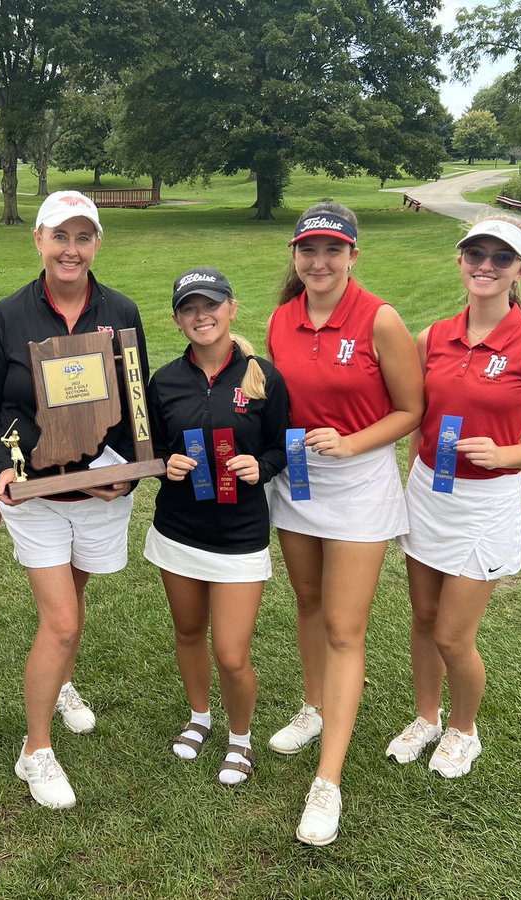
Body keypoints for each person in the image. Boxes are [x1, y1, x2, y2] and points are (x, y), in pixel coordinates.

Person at [0, 190, 149, 809]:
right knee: (62, 619)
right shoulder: (9, 315)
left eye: (83, 237)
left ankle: (63, 682)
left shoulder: (120, 310)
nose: (71, 249)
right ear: (39, 241)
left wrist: (127, 472)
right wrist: (0, 467)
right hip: (37, 493)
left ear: (97, 244)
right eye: (60, 236)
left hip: (100, 490)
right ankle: (35, 751)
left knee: (78, 592)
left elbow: (135, 404)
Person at [264, 202, 423, 845]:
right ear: (296, 256)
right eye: (309, 250)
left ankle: (328, 781)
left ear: (353, 255)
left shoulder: (379, 317)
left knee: (343, 624)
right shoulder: (281, 318)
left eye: (333, 250)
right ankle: (313, 705)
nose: (319, 262)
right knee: (306, 599)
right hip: (298, 478)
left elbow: (411, 408)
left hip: (358, 482)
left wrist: (354, 443)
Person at [387, 214, 521, 778]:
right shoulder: (432, 337)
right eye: (476, 255)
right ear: (460, 261)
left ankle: (465, 729)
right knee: (421, 618)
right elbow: (408, 409)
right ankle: (427, 716)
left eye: (500, 258)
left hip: (484, 505)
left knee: (452, 634)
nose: (485, 266)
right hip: (428, 491)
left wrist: (505, 453)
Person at [145, 267, 288, 786]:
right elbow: (155, 448)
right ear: (178, 318)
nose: (200, 316)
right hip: (178, 528)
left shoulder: (263, 376)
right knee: (187, 632)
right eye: (189, 308)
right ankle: (200, 718)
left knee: (231, 652)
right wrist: (167, 463)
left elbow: (281, 445)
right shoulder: (165, 380)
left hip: (239, 534)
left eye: (210, 305)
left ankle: (241, 739)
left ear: (231, 308)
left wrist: (262, 467)